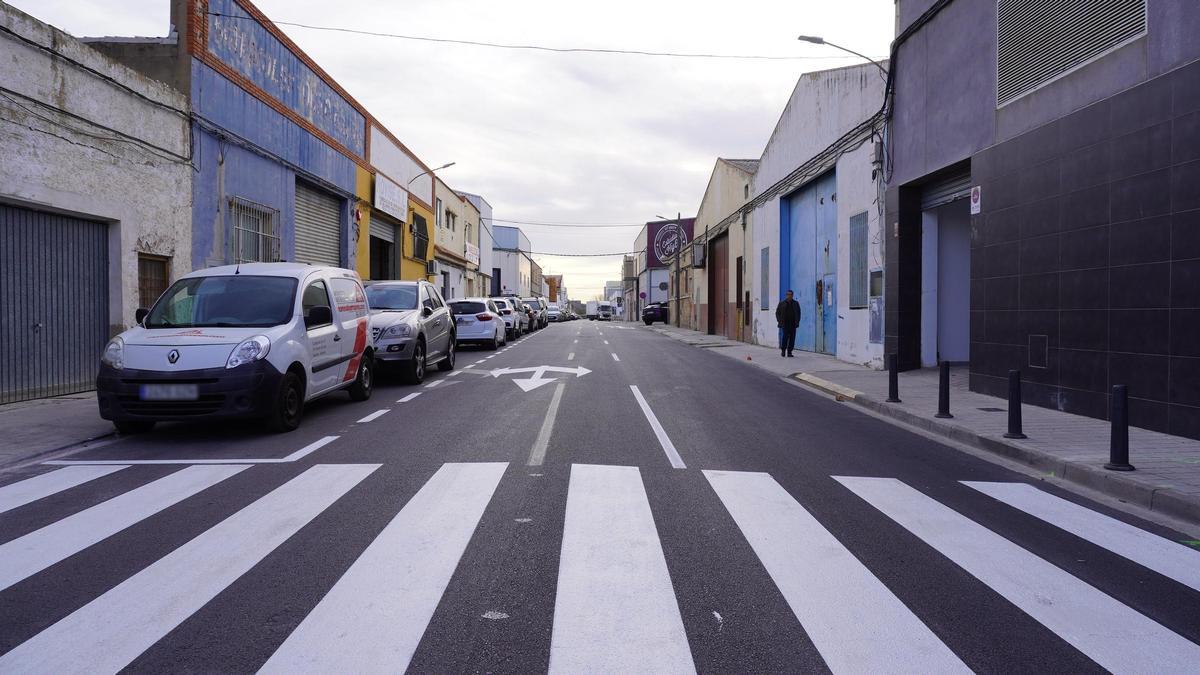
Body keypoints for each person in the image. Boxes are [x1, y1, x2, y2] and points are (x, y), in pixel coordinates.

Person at [776, 290, 801, 357]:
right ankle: (783, 351)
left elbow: (798, 313)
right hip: (785, 324)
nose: (789, 296)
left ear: (792, 295)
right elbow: (777, 313)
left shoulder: (796, 303)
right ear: (786, 295)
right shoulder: (782, 303)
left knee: (792, 339)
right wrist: (779, 321)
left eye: (790, 294)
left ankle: (789, 352)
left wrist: (797, 321)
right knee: (785, 338)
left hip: (793, 324)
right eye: (788, 294)